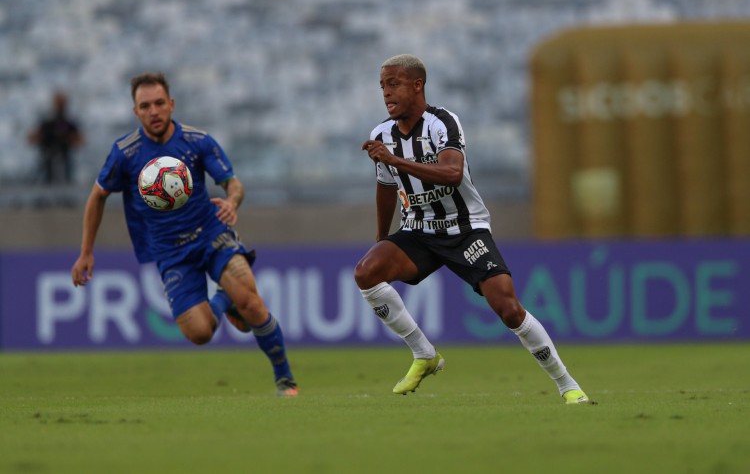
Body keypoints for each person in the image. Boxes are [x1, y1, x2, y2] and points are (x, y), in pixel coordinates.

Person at [355, 54, 589, 403]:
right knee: (367, 273)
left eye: (394, 84)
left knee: (508, 308)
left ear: (417, 85)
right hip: (418, 230)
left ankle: (567, 383)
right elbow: (386, 186)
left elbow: (451, 174)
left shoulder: (442, 122)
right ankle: (425, 354)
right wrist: (382, 236)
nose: (386, 94)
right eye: (382, 87)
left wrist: (394, 159)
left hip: (464, 229)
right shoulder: (381, 133)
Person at [71, 72, 298, 397]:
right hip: (170, 252)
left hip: (211, 234)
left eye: (160, 103)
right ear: (135, 112)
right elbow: (97, 197)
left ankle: (285, 380)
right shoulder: (125, 153)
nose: (154, 111)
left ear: (171, 104)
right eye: (145, 105)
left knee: (250, 302)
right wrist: (85, 252)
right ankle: (224, 299)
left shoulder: (197, 141)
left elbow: (233, 183)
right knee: (200, 332)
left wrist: (232, 202)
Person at [28, 91, 84, 184]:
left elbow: (79, 139)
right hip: (49, 153)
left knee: (65, 173)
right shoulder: (49, 122)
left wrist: (70, 139)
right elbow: (35, 136)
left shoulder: (67, 122)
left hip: (63, 154)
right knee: (48, 173)